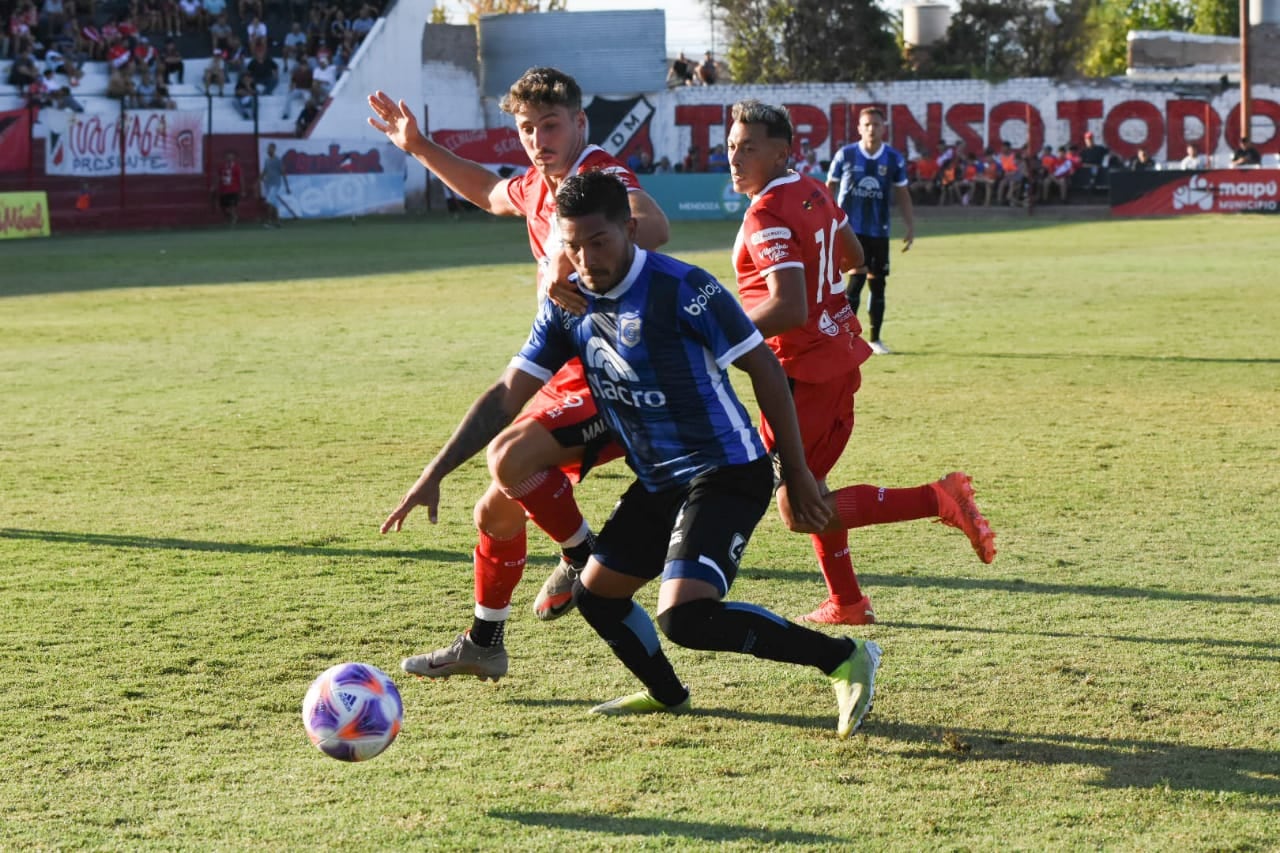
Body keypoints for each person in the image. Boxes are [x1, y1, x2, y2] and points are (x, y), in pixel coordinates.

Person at [381, 171, 882, 737]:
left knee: (684, 615)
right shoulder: (567, 305)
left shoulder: (685, 288)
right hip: (659, 482)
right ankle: (668, 696)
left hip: (727, 471)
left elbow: (763, 367)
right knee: (596, 595)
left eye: (599, 242)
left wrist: (798, 472)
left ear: (630, 229)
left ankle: (844, 656)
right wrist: (433, 472)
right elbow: (504, 397)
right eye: (571, 245)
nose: (585, 258)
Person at [367, 67, 670, 679]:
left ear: (580, 123)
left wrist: (573, 257)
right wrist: (419, 146)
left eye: (550, 124)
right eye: (527, 128)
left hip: (617, 372)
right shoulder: (538, 186)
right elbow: (487, 191)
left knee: (509, 457)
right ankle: (484, 642)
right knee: (495, 514)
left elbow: (653, 224)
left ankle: (584, 560)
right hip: (566, 370)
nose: (538, 138)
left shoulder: (599, 176)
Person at [726, 100, 995, 625]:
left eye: (748, 148)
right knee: (813, 487)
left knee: (799, 509)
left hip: (801, 375)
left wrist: (718, 339)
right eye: (732, 146)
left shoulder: (766, 212)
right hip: (836, 358)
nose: (734, 158)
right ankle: (847, 602)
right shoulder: (811, 189)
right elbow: (853, 258)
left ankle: (937, 498)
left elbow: (789, 306)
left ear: (781, 152)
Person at [826, 107, 915, 355]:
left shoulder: (893, 158)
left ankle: (875, 339)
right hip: (849, 230)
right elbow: (828, 188)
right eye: (867, 125)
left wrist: (910, 225)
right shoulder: (846, 155)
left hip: (879, 231)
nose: (871, 129)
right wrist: (823, 219)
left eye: (876, 124)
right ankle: (843, 337)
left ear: (883, 127)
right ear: (859, 128)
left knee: (878, 284)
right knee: (856, 279)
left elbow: (903, 194)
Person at [258, 141, 290, 228]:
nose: (269, 150)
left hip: (276, 184)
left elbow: (283, 173)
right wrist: (259, 179)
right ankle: (278, 222)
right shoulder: (267, 160)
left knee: (270, 202)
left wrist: (287, 187)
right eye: (268, 149)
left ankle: (269, 221)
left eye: (270, 149)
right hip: (268, 185)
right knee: (274, 203)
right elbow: (265, 171)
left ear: (274, 150)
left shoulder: (278, 160)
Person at [214, 149, 242, 224]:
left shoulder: (236, 167)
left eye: (231, 157)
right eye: (228, 157)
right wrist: (215, 186)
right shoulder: (222, 167)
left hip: (233, 189)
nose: (229, 158)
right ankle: (229, 218)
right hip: (224, 189)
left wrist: (242, 189)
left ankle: (234, 218)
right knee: (223, 207)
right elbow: (218, 177)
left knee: (232, 206)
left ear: (233, 158)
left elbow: (240, 178)